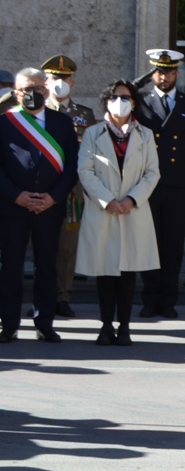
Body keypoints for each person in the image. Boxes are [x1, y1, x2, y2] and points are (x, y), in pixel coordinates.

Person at [75, 80, 160, 345]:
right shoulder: (93, 133)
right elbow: (85, 171)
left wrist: (131, 200)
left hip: (133, 211)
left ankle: (124, 327)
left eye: (125, 97)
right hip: (104, 211)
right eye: (115, 97)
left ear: (134, 102)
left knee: (128, 271)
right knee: (105, 270)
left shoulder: (145, 135)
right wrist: (108, 200)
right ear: (106, 101)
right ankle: (105, 326)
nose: (120, 102)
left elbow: (152, 173)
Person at [0, 67, 80, 342]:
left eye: (37, 89)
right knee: (10, 265)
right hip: (13, 206)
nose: (32, 94)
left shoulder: (61, 122)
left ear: (45, 90)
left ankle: (44, 322)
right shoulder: (4, 122)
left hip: (50, 205)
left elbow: (72, 165)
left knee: (47, 266)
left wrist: (54, 196)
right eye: (25, 89)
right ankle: (7, 323)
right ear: (15, 92)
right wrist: (15, 195)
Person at [134, 49, 185, 319]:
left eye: (167, 71)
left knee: (173, 244)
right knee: (149, 243)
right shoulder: (140, 100)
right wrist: (140, 80)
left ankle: (168, 300)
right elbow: (117, 94)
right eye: (157, 70)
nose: (162, 76)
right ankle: (149, 298)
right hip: (148, 183)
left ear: (176, 73)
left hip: (179, 183)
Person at [42, 54, 97, 319]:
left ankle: (63, 296)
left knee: (67, 244)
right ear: (45, 81)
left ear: (72, 83)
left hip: (72, 189)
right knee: (40, 243)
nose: (60, 83)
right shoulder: (35, 111)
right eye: (54, 78)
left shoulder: (84, 115)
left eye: (64, 78)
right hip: (41, 186)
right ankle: (42, 294)